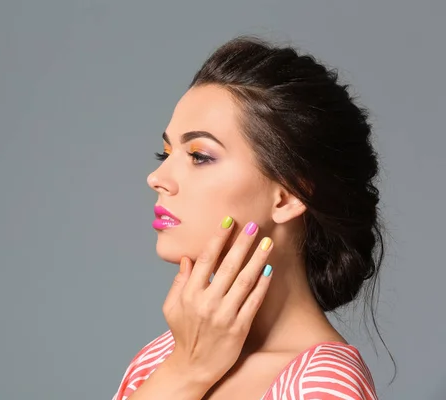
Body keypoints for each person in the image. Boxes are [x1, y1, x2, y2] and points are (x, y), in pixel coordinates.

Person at [112, 36, 387, 400]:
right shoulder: (162, 357)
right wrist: (185, 370)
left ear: (288, 196)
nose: (157, 178)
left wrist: (189, 371)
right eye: (165, 153)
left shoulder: (320, 385)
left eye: (199, 156)